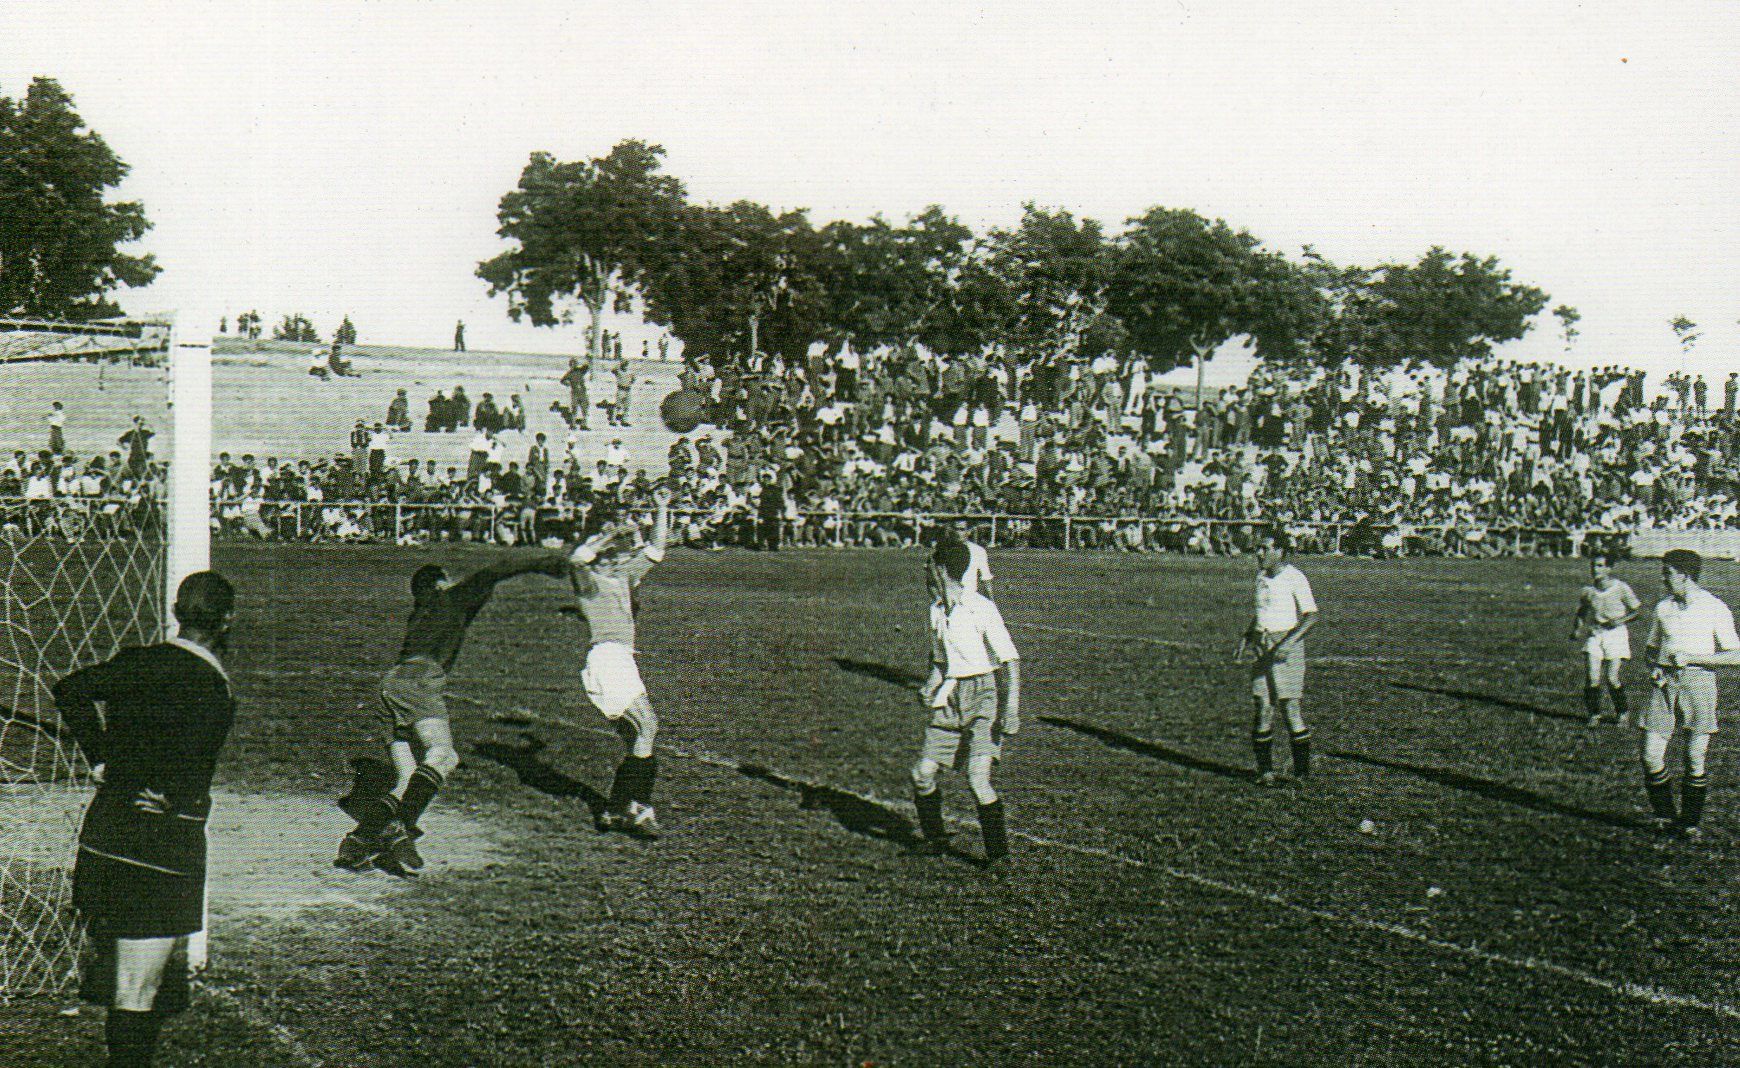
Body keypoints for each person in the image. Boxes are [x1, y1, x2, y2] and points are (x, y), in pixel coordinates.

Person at [52, 572, 238, 1068]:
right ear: (227, 620)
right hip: (160, 848)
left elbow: (70, 689)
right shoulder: (214, 688)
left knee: (124, 980)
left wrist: (100, 759)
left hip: (102, 840)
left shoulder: (138, 660)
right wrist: (175, 803)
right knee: (139, 990)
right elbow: (189, 771)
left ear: (176, 612)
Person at [337, 548, 573, 874]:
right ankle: (400, 825)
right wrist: (544, 563)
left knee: (407, 780)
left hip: (390, 685)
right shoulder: (448, 598)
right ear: (440, 583)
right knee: (444, 756)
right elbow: (495, 571)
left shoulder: (422, 609)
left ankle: (358, 841)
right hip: (418, 682)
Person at [567, 487, 671, 838]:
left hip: (622, 659)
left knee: (635, 736)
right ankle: (638, 808)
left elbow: (657, 549)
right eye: (611, 553)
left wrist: (661, 507)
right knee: (648, 726)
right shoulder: (590, 582)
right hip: (607, 659)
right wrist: (607, 534)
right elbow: (575, 560)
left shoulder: (622, 577)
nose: (619, 556)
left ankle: (614, 809)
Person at [911, 539, 1021, 868]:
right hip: (951, 697)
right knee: (922, 774)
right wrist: (931, 682)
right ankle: (936, 840)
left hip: (983, 695)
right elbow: (940, 659)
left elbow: (1011, 659)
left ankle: (998, 856)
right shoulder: (936, 610)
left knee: (977, 778)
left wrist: (1011, 707)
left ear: (943, 570)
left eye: (930, 564)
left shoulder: (981, 607)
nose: (925, 569)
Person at [1640, 549, 1740, 838]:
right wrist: (1655, 667)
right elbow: (1650, 648)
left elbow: (1735, 655)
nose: (1663, 579)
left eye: (1667, 573)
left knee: (1694, 757)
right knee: (1650, 754)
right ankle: (1665, 816)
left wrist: (1694, 659)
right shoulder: (1663, 608)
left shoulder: (1714, 607)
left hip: (1699, 683)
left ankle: (1690, 824)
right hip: (1665, 684)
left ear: (1684, 576)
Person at [1236, 527, 1317, 786]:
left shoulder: (1294, 577)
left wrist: (1288, 643)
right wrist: (1247, 636)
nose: (1258, 553)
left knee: (1290, 707)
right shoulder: (1260, 577)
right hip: (1262, 645)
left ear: (1280, 551)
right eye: (1258, 548)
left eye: (1264, 548)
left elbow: (1312, 615)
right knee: (1263, 707)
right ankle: (1265, 773)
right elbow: (1263, 612)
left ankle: (1301, 774)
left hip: (1286, 647)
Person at [1573, 552, 1641, 725]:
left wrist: (1619, 620)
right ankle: (1594, 715)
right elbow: (1582, 611)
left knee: (1612, 678)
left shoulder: (1620, 588)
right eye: (1593, 566)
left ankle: (1622, 713)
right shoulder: (1588, 591)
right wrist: (1577, 629)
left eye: (1600, 566)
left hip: (1616, 634)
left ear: (1609, 568)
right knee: (1592, 678)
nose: (1595, 570)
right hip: (1596, 634)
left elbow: (1636, 610)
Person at [561, 358, 591, 430]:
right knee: (574, 409)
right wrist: (567, 383)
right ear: (570, 365)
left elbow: (586, 367)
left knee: (585, 409)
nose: (573, 366)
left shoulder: (580, 371)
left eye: (574, 364)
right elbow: (562, 380)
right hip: (575, 393)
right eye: (571, 364)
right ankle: (573, 425)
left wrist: (588, 360)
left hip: (582, 393)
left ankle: (584, 425)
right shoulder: (569, 374)